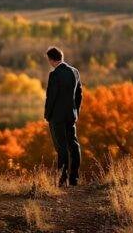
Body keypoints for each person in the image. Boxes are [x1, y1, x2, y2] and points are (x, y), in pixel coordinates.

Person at [43, 46, 82, 187]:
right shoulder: (75, 72)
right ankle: (74, 178)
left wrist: (47, 114)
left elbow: (51, 97)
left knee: (61, 147)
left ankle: (62, 179)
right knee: (74, 145)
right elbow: (79, 95)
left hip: (57, 117)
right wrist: (76, 112)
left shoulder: (54, 75)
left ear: (51, 59)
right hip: (71, 115)